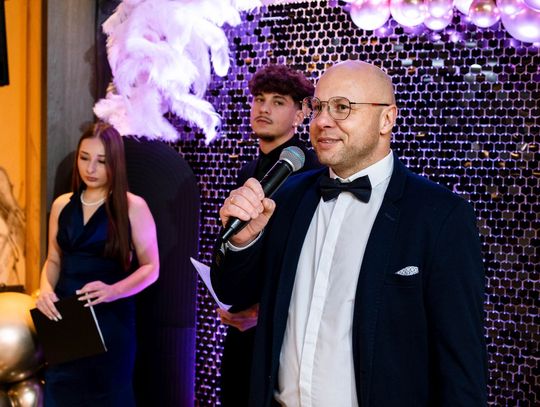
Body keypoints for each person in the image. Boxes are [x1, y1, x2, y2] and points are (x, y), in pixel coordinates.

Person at [211, 60, 487, 406]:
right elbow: (234, 295)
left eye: (342, 107)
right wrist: (242, 241)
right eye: (318, 107)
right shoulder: (287, 197)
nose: (322, 121)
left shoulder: (440, 216)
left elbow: (461, 364)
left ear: (386, 119)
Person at [217, 64, 321, 407]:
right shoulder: (248, 171)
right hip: (241, 328)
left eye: (278, 102)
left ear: (301, 113)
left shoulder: (311, 172)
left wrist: (263, 311)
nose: (263, 108)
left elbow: (307, 257)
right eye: (259, 99)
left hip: (285, 332)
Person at [36, 122, 159, 406]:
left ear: (115, 162)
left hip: (110, 321)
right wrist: (45, 290)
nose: (90, 168)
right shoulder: (62, 204)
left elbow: (151, 267)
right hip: (65, 319)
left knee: (108, 396)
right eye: (84, 158)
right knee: (59, 394)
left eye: (101, 161)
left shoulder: (133, 206)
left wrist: (114, 290)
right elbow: (53, 258)